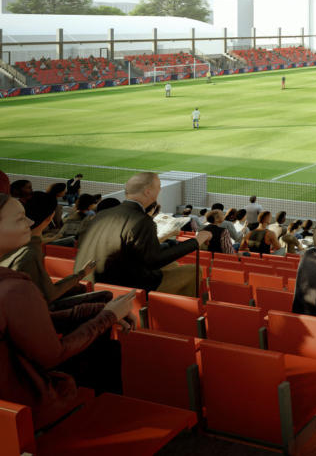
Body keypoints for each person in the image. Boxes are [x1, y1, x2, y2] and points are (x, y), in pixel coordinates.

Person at [0, 191, 139, 430]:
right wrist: (108, 316)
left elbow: (30, 321)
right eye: (20, 219)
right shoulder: (15, 287)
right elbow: (54, 355)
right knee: (108, 349)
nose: (30, 222)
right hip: (24, 401)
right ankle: (114, 427)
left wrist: (102, 310)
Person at [73, 172, 211, 296]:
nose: (160, 190)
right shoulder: (141, 220)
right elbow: (154, 261)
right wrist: (196, 241)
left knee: (173, 265)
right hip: (125, 287)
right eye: (158, 187)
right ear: (147, 192)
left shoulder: (101, 215)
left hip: (94, 282)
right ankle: (183, 317)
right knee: (194, 270)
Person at [0, 192, 104, 309]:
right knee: (104, 296)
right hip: (38, 310)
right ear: (50, 217)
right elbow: (50, 295)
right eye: (20, 219)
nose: (29, 223)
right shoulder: (29, 253)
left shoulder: (20, 246)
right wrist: (82, 273)